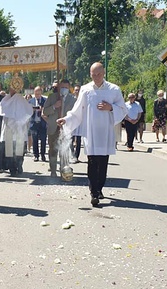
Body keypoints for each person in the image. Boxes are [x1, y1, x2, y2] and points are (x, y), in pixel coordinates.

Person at [56, 62, 128, 208]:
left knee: (103, 163)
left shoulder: (113, 89)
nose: (96, 77)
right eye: (93, 74)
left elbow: (123, 109)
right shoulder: (86, 89)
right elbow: (78, 110)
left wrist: (110, 108)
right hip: (91, 132)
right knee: (92, 162)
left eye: (98, 74)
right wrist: (66, 119)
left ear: (104, 73)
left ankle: (99, 187)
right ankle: (93, 192)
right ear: (90, 74)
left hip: (106, 132)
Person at [0, 74, 31, 176]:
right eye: (11, 87)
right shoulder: (6, 99)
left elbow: (28, 111)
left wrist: (19, 121)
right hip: (8, 128)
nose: (11, 89)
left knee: (19, 150)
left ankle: (19, 165)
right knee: (10, 150)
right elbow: (2, 110)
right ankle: (12, 169)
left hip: (19, 128)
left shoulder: (21, 99)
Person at [42, 78, 77, 177]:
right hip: (53, 128)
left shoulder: (73, 99)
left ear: (69, 88)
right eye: (62, 87)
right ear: (59, 88)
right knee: (53, 150)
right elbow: (45, 111)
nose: (64, 89)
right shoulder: (52, 97)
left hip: (65, 129)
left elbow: (75, 115)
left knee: (64, 151)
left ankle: (64, 171)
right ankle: (53, 171)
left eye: (66, 87)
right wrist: (54, 106)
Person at [29, 86, 48, 162]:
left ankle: (43, 155)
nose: (37, 94)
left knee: (43, 140)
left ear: (41, 93)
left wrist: (42, 109)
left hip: (42, 123)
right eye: (35, 93)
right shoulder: (30, 101)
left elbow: (48, 110)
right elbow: (27, 111)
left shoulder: (45, 101)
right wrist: (32, 110)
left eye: (38, 93)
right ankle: (36, 155)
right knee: (35, 140)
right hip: (34, 123)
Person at [71, 84, 83, 163]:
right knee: (70, 140)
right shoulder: (71, 100)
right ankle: (72, 155)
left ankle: (76, 156)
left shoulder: (83, 100)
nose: (77, 92)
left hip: (80, 123)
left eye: (78, 90)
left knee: (78, 140)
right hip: (72, 122)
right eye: (76, 90)